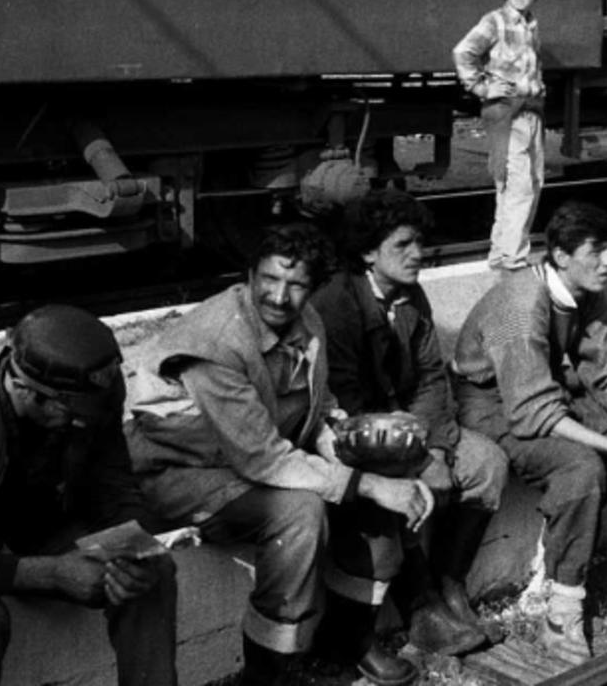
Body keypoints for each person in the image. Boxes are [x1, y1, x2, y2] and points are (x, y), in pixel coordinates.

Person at [126, 228, 430, 686]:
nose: (280, 296)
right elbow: (263, 459)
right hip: (183, 474)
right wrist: (368, 484)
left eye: (296, 284)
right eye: (268, 279)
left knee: (370, 477)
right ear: (249, 275)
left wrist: (355, 456)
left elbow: (321, 404)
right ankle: (268, 673)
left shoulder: (307, 321)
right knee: (298, 511)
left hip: (252, 457)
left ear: (313, 287)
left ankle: (350, 640)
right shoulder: (219, 342)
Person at [451, 201, 607, 661]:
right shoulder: (520, 305)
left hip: (547, 392)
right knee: (581, 466)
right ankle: (562, 609)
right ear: (561, 255)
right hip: (493, 407)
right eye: (598, 251)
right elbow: (531, 413)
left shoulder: (587, 291)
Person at [0, 306, 178, 686]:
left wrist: (134, 548)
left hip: (33, 525)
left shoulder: (93, 389)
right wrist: (51, 575)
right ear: (25, 390)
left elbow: (112, 484)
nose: (81, 422)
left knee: (150, 576)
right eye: (70, 411)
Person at [310, 190, 508, 657]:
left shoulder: (411, 296)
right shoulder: (335, 306)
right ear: (367, 253)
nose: (417, 254)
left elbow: (431, 380)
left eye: (419, 242)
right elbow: (346, 405)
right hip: (359, 438)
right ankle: (421, 608)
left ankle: (449, 585)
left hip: (410, 433)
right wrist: (419, 460)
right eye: (402, 245)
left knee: (488, 465)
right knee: (399, 487)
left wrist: (437, 451)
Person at [452, 0, 546, 271]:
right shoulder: (495, 21)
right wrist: (481, 88)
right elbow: (463, 52)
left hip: (531, 113)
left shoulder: (531, 23)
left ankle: (499, 253)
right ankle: (513, 260)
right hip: (506, 114)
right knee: (517, 185)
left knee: (530, 182)